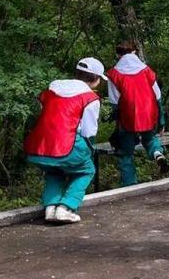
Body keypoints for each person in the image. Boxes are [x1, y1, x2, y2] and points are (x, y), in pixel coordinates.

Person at [23, 58, 107, 224]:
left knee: (54, 171)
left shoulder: (52, 87)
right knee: (87, 169)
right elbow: (89, 131)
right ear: (96, 79)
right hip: (65, 145)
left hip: (39, 146)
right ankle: (66, 207)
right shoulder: (90, 98)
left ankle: (50, 208)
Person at [106, 42, 168, 187]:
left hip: (127, 116)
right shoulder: (147, 70)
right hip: (149, 112)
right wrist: (161, 121)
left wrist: (117, 121)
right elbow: (157, 96)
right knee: (150, 139)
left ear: (118, 55)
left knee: (125, 152)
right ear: (134, 52)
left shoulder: (114, 74)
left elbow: (115, 102)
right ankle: (158, 154)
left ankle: (129, 184)